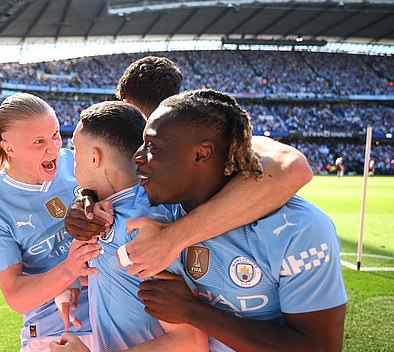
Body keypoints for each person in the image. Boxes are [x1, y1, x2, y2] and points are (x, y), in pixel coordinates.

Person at [135, 90, 347, 352]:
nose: (138, 157)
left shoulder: (299, 228)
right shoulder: (159, 211)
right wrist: (83, 199)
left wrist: (192, 311)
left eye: (153, 148)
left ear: (202, 153)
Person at [50, 101, 208, 352]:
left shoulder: (141, 228)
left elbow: (190, 344)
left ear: (95, 157)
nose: (72, 161)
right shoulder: (121, 208)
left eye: (76, 151)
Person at [0, 93, 110, 352]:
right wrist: (69, 268)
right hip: (50, 337)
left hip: (114, 324)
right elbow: (16, 296)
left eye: (55, 135)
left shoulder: (74, 163)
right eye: (38, 141)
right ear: (8, 146)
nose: (52, 148)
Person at [106, 56, 314, 279]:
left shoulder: (212, 139)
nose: (141, 156)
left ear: (126, 105)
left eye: (153, 146)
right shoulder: (124, 153)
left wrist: (171, 239)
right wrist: (86, 195)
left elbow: (293, 167)